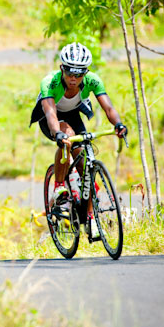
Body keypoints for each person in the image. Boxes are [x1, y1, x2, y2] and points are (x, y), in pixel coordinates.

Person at [29, 42, 127, 238]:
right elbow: (50, 113)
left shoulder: (93, 80)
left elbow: (108, 108)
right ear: (61, 69)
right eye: (69, 73)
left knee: (86, 164)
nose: (74, 78)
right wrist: (58, 134)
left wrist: (118, 124)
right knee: (66, 135)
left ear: (86, 72)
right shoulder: (50, 82)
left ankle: (90, 218)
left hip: (73, 114)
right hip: (50, 117)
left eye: (79, 73)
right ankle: (58, 187)